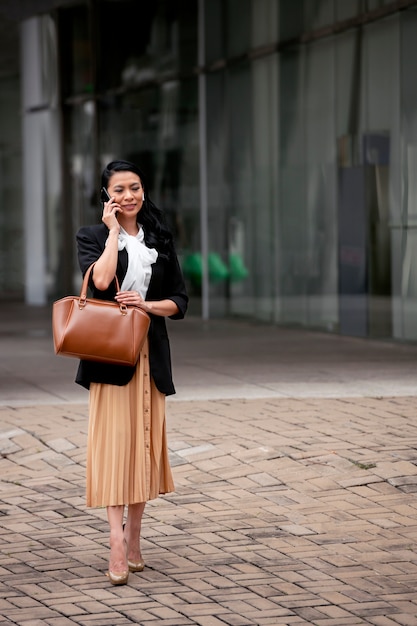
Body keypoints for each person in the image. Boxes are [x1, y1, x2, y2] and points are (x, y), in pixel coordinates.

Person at [75, 159, 188, 585]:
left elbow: (179, 301)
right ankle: (116, 543)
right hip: (110, 358)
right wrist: (111, 234)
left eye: (135, 187)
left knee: (142, 448)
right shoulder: (91, 235)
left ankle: (136, 537)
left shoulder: (160, 237)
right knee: (114, 450)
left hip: (150, 356)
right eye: (119, 189)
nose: (128, 196)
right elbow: (101, 283)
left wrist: (147, 306)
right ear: (107, 196)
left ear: (143, 190)